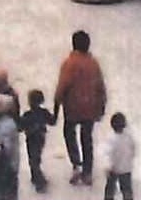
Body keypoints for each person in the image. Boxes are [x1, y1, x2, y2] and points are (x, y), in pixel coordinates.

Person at [54, 29, 107, 187]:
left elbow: (62, 86)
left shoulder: (69, 64)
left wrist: (56, 105)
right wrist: (101, 105)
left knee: (69, 133)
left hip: (72, 107)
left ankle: (76, 163)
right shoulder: (94, 64)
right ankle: (88, 172)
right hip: (90, 107)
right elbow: (100, 86)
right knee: (87, 137)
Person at [18, 91, 56, 192]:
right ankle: (36, 176)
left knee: (32, 158)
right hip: (40, 138)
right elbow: (53, 121)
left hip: (31, 138)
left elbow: (19, 127)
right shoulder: (44, 113)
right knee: (35, 158)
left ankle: (39, 180)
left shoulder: (27, 115)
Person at [104, 110, 135, 200]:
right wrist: (130, 160)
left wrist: (107, 166)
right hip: (126, 168)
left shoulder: (111, 139)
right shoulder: (128, 137)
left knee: (110, 188)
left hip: (114, 168)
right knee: (127, 189)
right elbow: (133, 148)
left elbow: (108, 154)